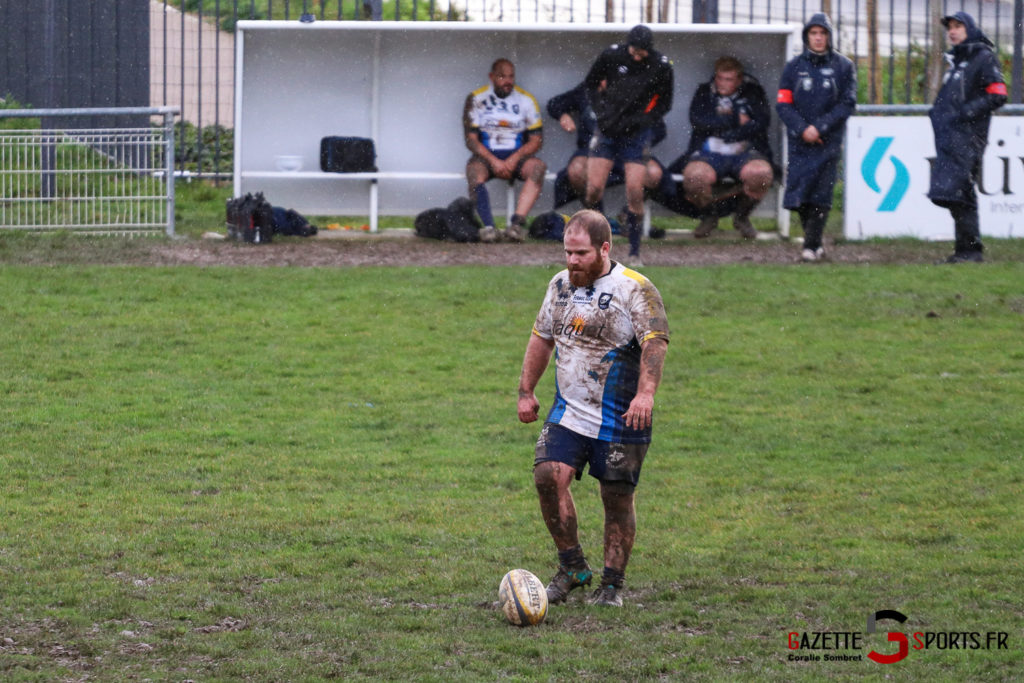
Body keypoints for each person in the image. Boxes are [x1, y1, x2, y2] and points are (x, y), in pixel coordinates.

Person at [517, 209, 670, 608]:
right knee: (547, 476)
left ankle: (612, 585)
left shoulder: (636, 288)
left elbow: (655, 343)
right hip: (569, 410)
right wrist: (525, 390)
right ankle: (572, 568)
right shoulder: (559, 286)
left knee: (616, 497)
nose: (571, 261)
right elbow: (542, 337)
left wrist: (646, 395)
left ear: (605, 248)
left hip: (621, 415)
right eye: (567, 252)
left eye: (581, 253)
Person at [582, 25, 674, 265]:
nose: (636, 56)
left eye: (641, 52)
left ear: (649, 49)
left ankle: (634, 252)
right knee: (593, 189)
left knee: (634, 191)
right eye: (633, 50)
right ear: (628, 45)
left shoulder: (661, 65)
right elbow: (590, 84)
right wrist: (600, 112)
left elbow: (665, 103)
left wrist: (644, 120)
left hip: (636, 134)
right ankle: (597, 246)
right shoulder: (612, 55)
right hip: (608, 129)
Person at [776, 13, 857, 262]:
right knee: (801, 195)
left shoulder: (843, 66)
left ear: (829, 37)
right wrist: (803, 129)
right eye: (814, 33)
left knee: (821, 193)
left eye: (823, 33)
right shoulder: (793, 67)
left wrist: (820, 128)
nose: (819, 38)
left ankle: (810, 247)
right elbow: (783, 104)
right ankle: (815, 244)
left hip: (828, 142)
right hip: (801, 142)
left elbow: (847, 103)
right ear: (807, 36)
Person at [928, 11, 1007, 263]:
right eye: (950, 27)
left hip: (969, 137)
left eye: (958, 26)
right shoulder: (958, 61)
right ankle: (968, 250)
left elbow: (998, 93)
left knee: (955, 191)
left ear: (969, 29)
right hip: (951, 137)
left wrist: (966, 113)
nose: (952, 31)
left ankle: (970, 249)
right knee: (958, 193)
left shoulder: (983, 57)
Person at [680, 56, 774, 239]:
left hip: (744, 151)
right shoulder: (704, 92)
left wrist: (733, 133)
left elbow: (761, 122)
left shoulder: (753, 93)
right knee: (695, 177)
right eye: (719, 78)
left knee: (761, 175)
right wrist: (734, 120)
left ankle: (742, 217)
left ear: (739, 80)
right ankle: (709, 215)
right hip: (710, 152)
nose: (722, 83)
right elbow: (698, 121)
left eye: (728, 79)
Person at [546, 81, 672, 215]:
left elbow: (659, 130)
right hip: (592, 152)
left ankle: (629, 217)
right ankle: (597, 217)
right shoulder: (587, 90)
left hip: (628, 152)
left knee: (654, 173)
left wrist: (639, 141)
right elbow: (554, 104)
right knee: (576, 171)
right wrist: (563, 115)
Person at [463, 58, 547, 243]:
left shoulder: (526, 100)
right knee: (473, 172)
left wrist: (514, 158)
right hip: (486, 156)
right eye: (502, 76)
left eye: (511, 76)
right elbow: (471, 140)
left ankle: (516, 226)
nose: (507, 81)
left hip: (516, 157)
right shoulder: (476, 98)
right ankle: (488, 228)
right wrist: (494, 160)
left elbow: (536, 141)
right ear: (492, 77)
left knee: (538, 168)